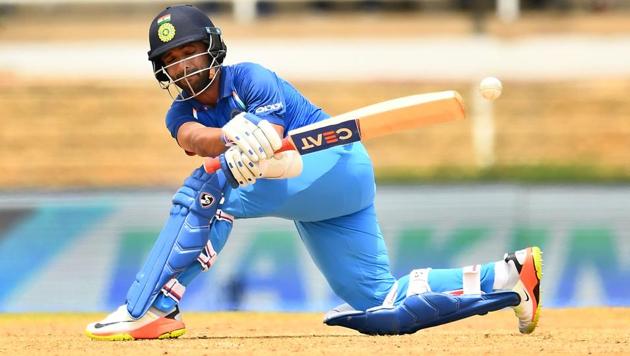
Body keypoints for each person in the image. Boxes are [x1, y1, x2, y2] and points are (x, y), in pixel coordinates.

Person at [85, 4, 542, 340]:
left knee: (211, 191)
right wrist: (230, 138)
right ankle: (508, 278)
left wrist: (257, 142)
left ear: (212, 50)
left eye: (189, 53)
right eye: (171, 60)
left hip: (334, 164)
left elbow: (274, 126)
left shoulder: (249, 77)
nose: (183, 67)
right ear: (161, 70)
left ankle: (151, 307)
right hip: (317, 201)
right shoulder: (178, 115)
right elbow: (192, 139)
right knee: (381, 303)